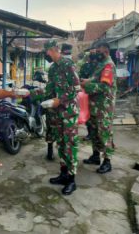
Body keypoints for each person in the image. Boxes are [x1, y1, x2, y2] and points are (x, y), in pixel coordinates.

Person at [43, 40, 80, 195]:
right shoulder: (52, 68)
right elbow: (50, 88)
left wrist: (61, 99)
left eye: (47, 52)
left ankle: (72, 180)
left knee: (70, 145)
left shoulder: (67, 64)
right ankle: (63, 174)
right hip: (57, 113)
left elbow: (76, 87)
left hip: (69, 112)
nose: (47, 55)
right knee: (61, 144)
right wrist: (39, 97)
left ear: (51, 50)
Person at [81, 41, 117, 174]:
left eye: (98, 51)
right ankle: (95, 156)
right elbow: (95, 79)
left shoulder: (109, 65)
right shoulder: (100, 64)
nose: (96, 53)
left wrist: (86, 86)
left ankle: (107, 161)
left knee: (104, 133)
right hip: (95, 105)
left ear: (106, 51)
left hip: (104, 106)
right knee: (94, 132)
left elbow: (104, 86)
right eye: (95, 50)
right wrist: (87, 81)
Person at [79, 49, 99, 140]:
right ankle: (95, 134)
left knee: (88, 113)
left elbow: (80, 79)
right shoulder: (100, 66)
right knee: (95, 115)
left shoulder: (85, 66)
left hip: (86, 93)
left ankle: (91, 134)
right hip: (96, 94)